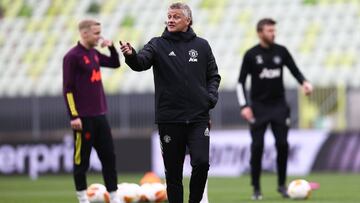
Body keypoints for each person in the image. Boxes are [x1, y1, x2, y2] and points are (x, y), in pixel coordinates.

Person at [120, 2, 221, 203]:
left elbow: (214, 76)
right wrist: (131, 55)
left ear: (188, 20)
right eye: (169, 16)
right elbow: (140, 63)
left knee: (201, 163)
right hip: (170, 119)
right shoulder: (157, 44)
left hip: (198, 117)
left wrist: (209, 99)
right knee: (173, 173)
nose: (170, 20)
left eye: (175, 16)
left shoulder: (202, 45)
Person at [236, 18, 313, 200]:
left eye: (274, 30)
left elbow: (294, 70)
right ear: (260, 32)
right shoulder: (251, 55)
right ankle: (256, 187)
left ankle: (281, 185)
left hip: (279, 106)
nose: (273, 33)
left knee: (282, 145)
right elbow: (240, 82)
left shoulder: (281, 51)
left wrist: (305, 82)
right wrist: (244, 106)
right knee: (257, 147)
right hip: (258, 108)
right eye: (269, 30)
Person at [63, 19, 121, 203]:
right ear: (84, 33)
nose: (99, 36)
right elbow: (68, 89)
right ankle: (82, 197)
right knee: (82, 160)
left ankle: (113, 196)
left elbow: (115, 63)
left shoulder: (94, 54)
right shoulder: (72, 57)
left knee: (109, 157)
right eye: (96, 33)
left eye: (100, 32)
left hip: (100, 115)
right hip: (83, 118)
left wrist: (111, 47)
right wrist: (74, 115)